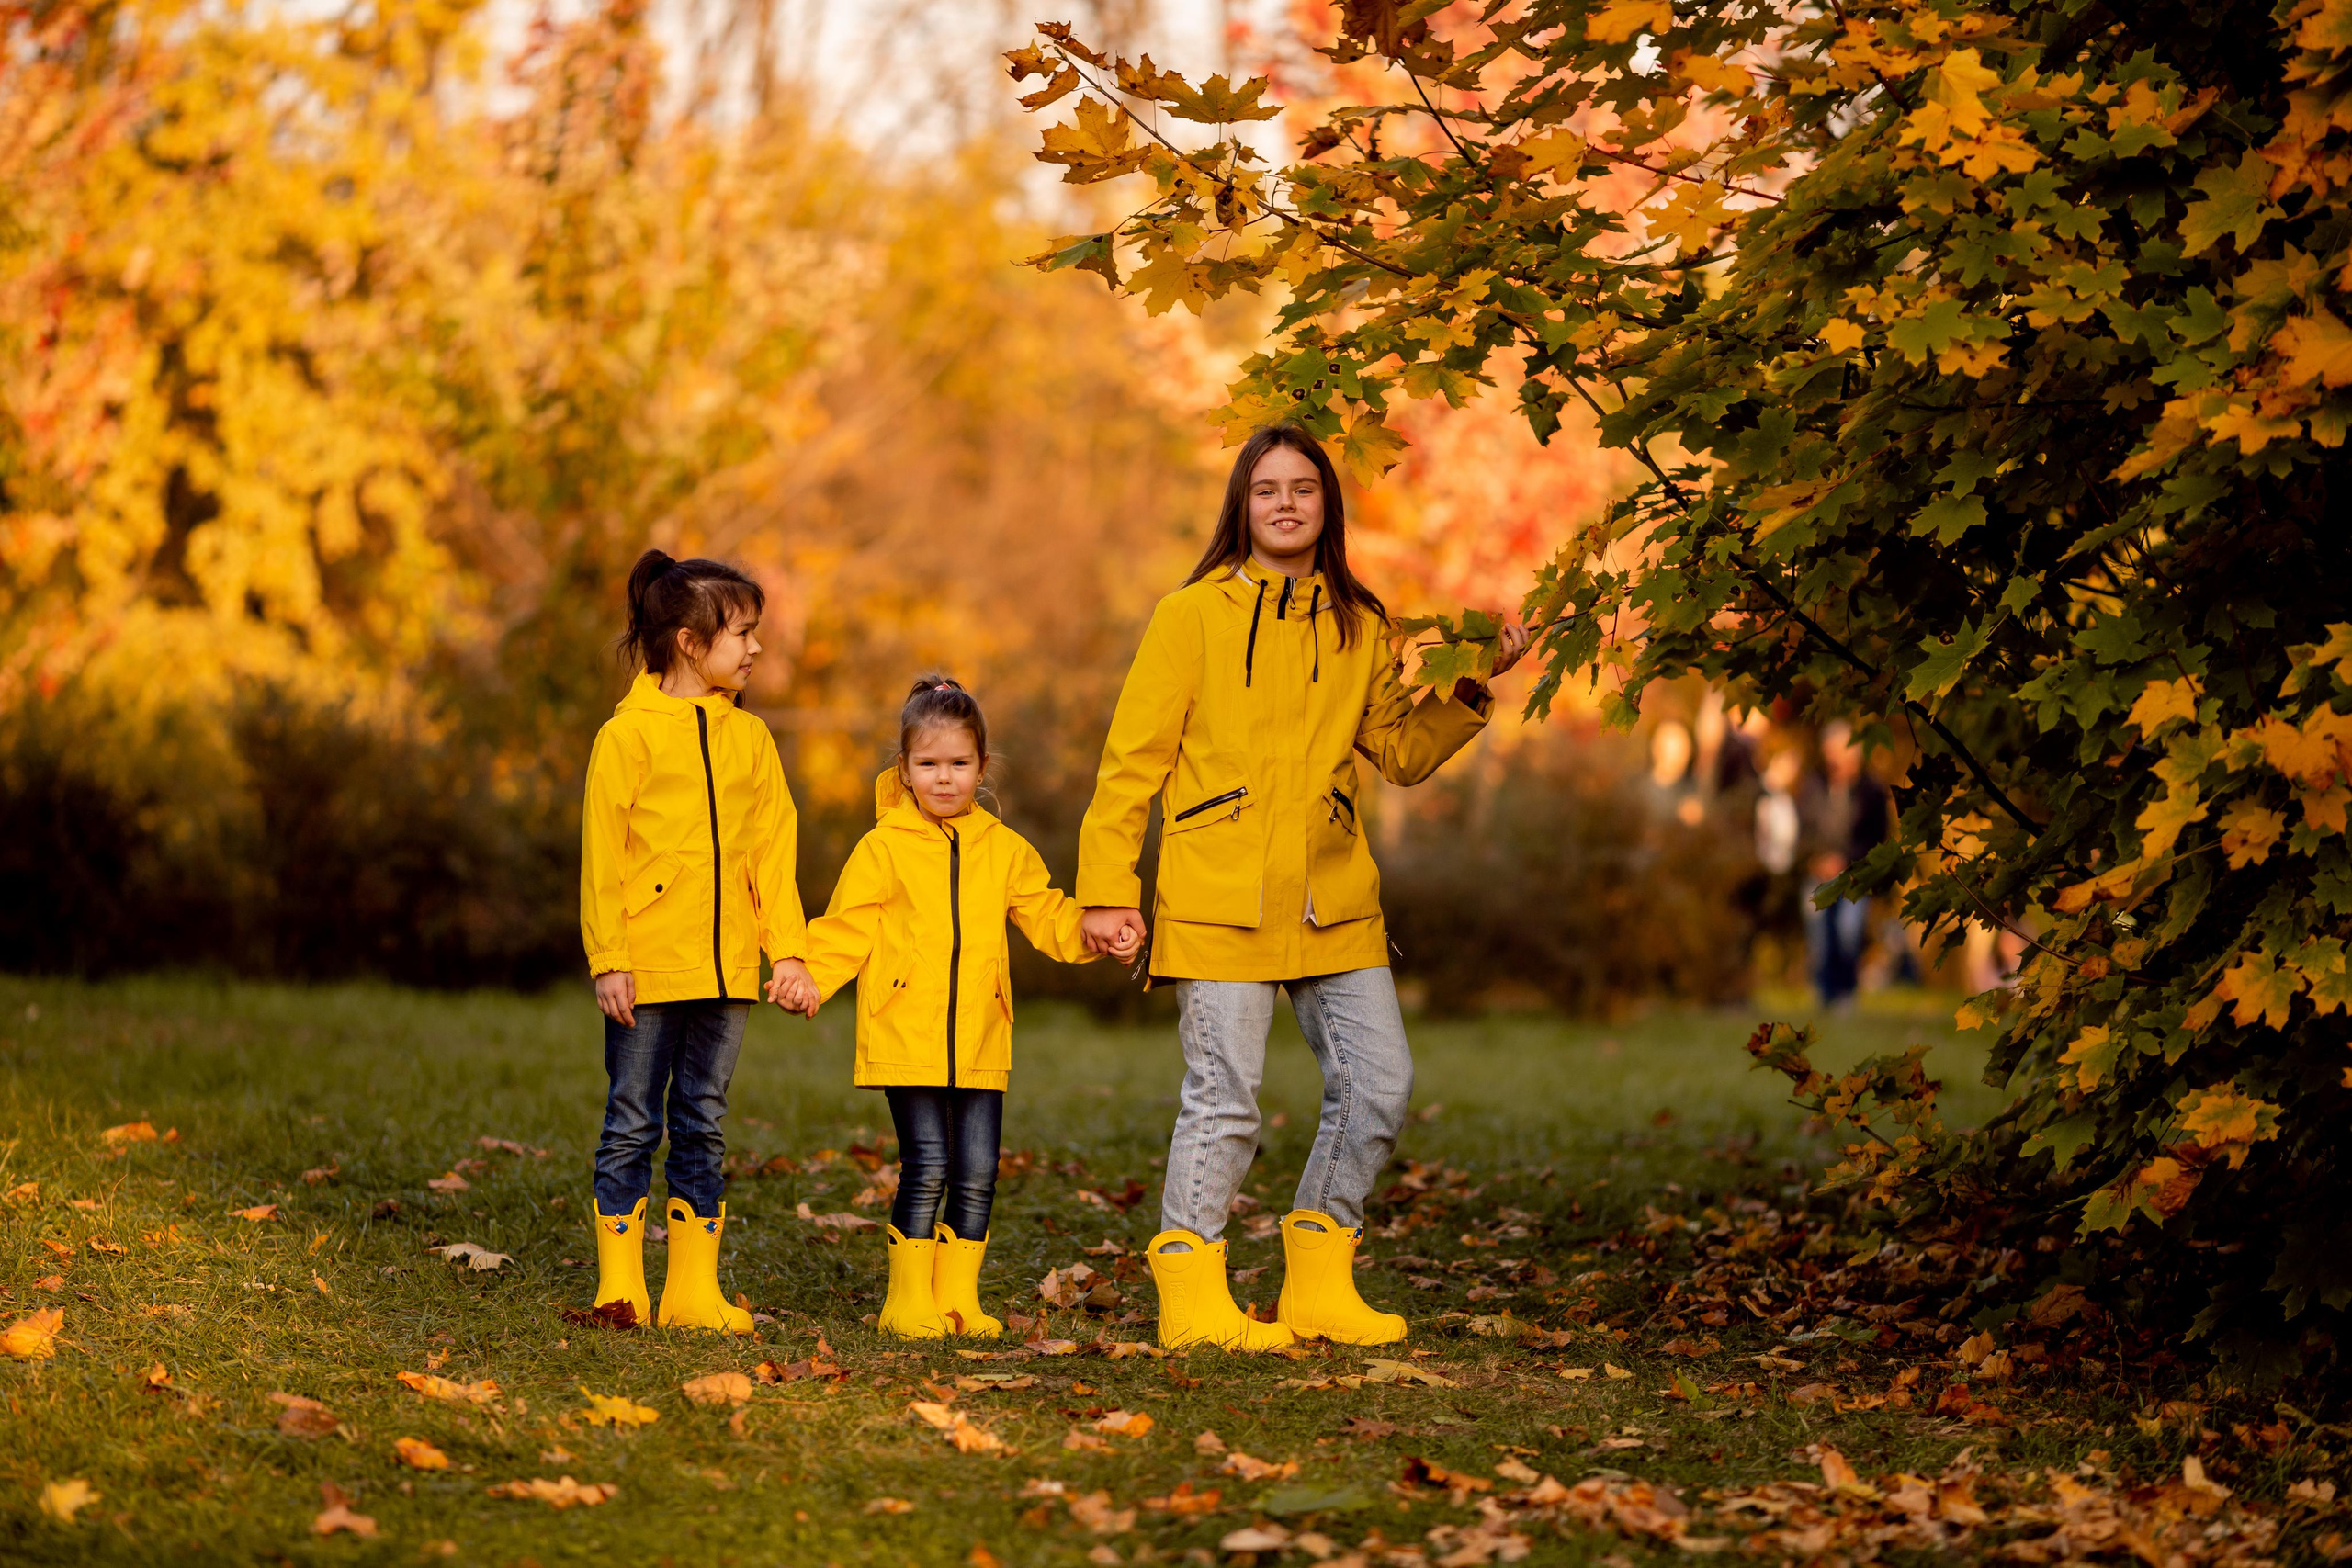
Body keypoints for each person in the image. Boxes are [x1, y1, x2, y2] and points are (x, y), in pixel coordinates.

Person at [1076, 423, 1530, 1352]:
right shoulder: (1188, 616)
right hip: (1218, 895)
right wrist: (1106, 889)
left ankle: (1319, 1276)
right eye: (1266, 489)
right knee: (1226, 1096)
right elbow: (1131, 765)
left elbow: (1398, 754)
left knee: (1379, 1083)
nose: (1284, 504)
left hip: (1332, 899)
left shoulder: (1362, 623)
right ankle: (1193, 1293)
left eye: (1303, 489)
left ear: (1326, 506)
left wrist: (1474, 685)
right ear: (1241, 505)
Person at [803, 677, 1137, 1339]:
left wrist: (1097, 931)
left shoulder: (1004, 849)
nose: (945, 778)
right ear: (903, 769)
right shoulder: (883, 848)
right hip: (908, 1032)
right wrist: (808, 977)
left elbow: (1046, 913)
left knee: (978, 1172)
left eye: (959, 764)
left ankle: (956, 1300)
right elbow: (848, 925)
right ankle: (907, 1301)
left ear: (982, 767)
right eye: (928, 764)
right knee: (928, 1163)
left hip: (981, 1035)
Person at [579, 549, 819, 1333]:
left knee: (704, 1117)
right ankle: (621, 1290)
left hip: (727, 972)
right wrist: (609, 957)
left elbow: (772, 855)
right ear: (689, 641)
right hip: (647, 967)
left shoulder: (751, 740)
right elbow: (603, 856)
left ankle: (691, 1290)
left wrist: (785, 949)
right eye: (742, 633)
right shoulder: (628, 737)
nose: (754, 648)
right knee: (632, 1118)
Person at [1800, 720, 1891, 1008]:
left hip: (1855, 877)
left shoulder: (1873, 792)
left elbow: (1878, 841)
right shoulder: (1812, 786)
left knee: (1848, 933)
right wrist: (1816, 859)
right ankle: (1824, 994)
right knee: (1819, 934)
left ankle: (1846, 995)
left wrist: (1846, 862)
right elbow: (1803, 830)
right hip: (1818, 876)